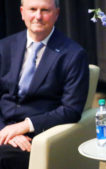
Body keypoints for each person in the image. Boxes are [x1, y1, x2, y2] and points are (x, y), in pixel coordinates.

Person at [0, 0, 89, 168]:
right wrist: (5, 131)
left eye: (45, 10)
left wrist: (24, 126)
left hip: (37, 137)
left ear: (56, 13)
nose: (38, 16)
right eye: (32, 9)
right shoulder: (4, 47)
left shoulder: (74, 55)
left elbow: (71, 110)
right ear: (22, 12)